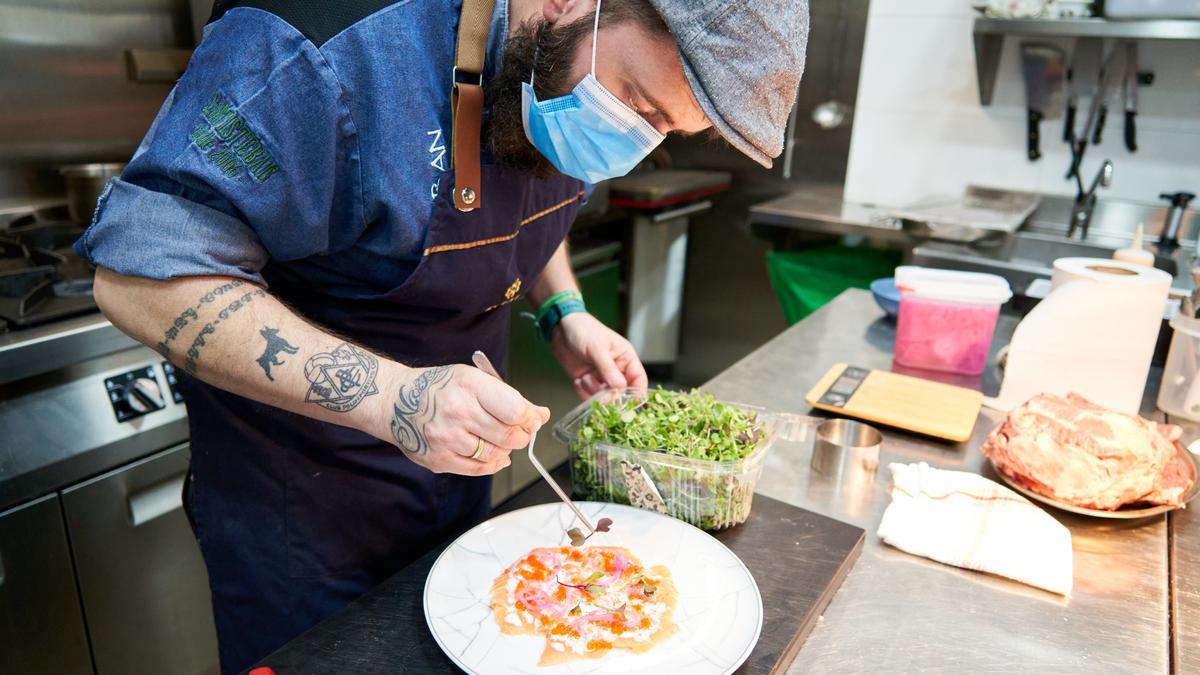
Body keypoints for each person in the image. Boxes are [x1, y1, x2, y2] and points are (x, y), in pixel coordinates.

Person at [74, 0, 808, 670]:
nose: (630, 146)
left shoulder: (549, 57)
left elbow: (522, 191)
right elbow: (138, 275)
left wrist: (565, 312)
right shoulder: (321, 48)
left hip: (454, 488)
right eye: (636, 102)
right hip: (303, 516)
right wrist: (401, 397)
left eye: (663, 131)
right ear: (565, 4)